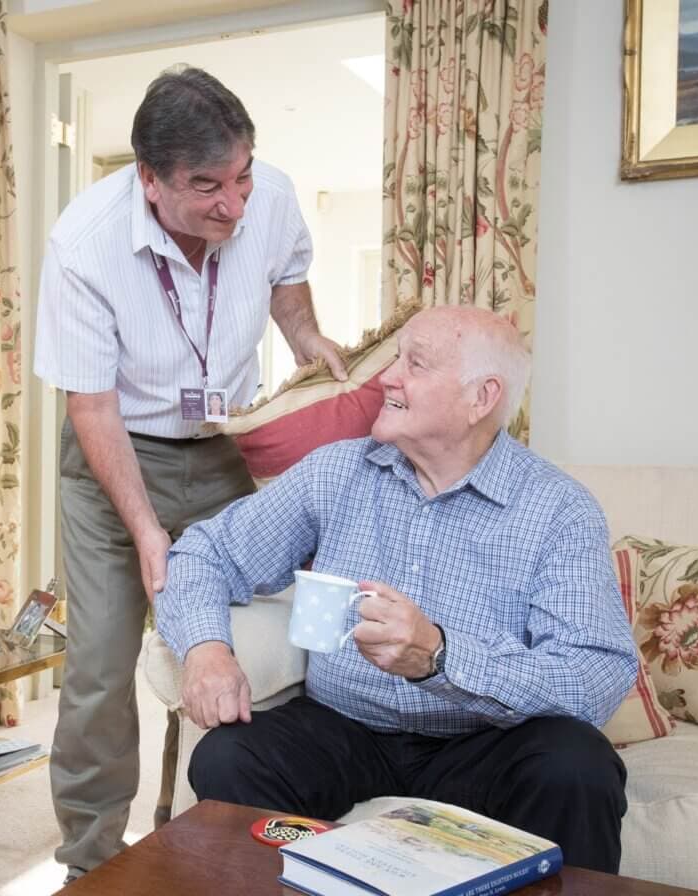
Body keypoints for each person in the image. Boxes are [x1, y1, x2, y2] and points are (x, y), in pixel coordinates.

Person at [157, 306, 638, 874]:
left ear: (481, 398)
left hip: (484, 739)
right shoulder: (337, 472)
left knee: (577, 766)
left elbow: (594, 677)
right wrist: (206, 648)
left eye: (416, 364)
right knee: (229, 758)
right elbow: (203, 553)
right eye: (395, 360)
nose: (387, 378)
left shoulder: (558, 510)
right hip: (346, 727)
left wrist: (441, 656)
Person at [33, 66, 347, 883]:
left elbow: (287, 287)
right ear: (149, 179)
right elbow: (92, 409)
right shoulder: (84, 244)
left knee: (229, 641)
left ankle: (210, 833)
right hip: (115, 457)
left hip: (222, 447)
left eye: (241, 177)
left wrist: (309, 342)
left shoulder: (267, 196)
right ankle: (91, 860)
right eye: (207, 186)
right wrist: (144, 530)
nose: (233, 205)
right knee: (101, 666)